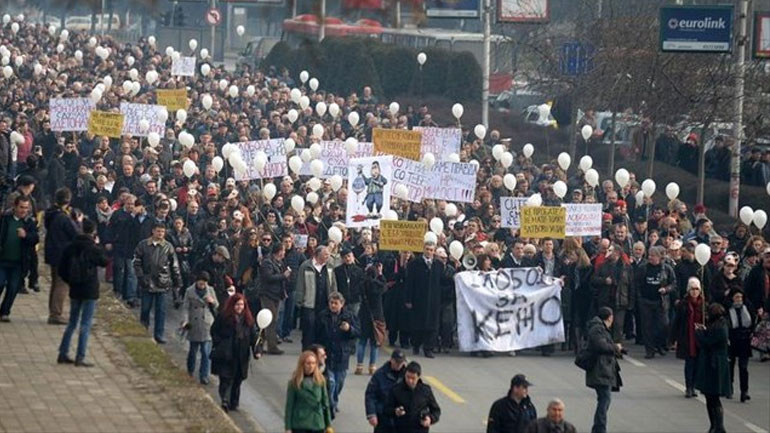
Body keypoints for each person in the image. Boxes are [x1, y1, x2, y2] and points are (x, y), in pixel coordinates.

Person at [56, 218, 107, 366]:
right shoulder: (93, 248)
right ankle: (80, 356)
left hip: (75, 288)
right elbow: (104, 261)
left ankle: (63, 352)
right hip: (90, 289)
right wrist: (98, 245)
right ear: (94, 232)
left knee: (72, 322)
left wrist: (70, 281)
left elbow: (62, 269)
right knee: (86, 324)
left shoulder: (70, 247)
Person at [133, 222, 182, 344]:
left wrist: (177, 281)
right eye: (158, 231)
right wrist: (140, 276)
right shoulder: (143, 245)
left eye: (162, 232)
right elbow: (137, 262)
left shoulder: (168, 247)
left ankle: (159, 334)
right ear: (153, 231)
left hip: (163, 282)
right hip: (147, 282)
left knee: (161, 311)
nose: (160, 234)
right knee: (145, 309)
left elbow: (174, 265)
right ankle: (143, 331)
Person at [210, 293, 260, 412]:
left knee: (238, 379)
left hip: (241, 355)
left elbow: (254, 337)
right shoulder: (224, 317)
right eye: (237, 304)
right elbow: (214, 331)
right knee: (226, 378)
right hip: (227, 354)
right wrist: (219, 343)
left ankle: (234, 402)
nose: (239, 307)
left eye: (241, 304)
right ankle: (225, 400)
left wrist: (256, 351)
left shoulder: (248, 320)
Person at [315, 291, 360, 414]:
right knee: (330, 382)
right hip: (327, 354)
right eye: (331, 303)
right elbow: (316, 333)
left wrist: (349, 329)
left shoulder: (349, 316)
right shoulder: (322, 316)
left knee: (339, 381)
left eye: (336, 303)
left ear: (342, 304)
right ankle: (330, 404)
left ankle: (334, 400)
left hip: (342, 355)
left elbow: (358, 332)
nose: (333, 305)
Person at [44, 187, 80, 324]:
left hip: (52, 251)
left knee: (55, 283)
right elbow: (75, 233)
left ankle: (53, 310)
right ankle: (56, 313)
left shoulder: (51, 213)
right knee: (62, 284)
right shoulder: (63, 217)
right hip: (62, 254)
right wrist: (77, 221)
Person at [0, 196, 38, 322]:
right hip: (3, 260)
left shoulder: (29, 222)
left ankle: (4, 312)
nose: (23, 210)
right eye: (21, 207)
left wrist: (26, 235)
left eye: (26, 208)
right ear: (15, 207)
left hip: (19, 262)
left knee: (13, 287)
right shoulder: (6, 219)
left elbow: (35, 239)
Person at [635, 246, 676, 358]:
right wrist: (640, 298)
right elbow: (637, 283)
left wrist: (666, 289)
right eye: (649, 255)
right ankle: (650, 350)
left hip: (661, 302)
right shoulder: (643, 268)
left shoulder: (666, 268)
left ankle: (660, 344)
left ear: (659, 257)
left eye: (653, 256)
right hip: (646, 301)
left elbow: (673, 283)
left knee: (663, 325)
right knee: (647, 327)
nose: (650, 258)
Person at [585, 307, 622, 433]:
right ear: (610, 317)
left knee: (604, 399)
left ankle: (599, 427)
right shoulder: (598, 329)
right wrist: (615, 347)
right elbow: (601, 346)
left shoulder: (600, 328)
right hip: (600, 370)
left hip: (603, 369)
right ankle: (599, 429)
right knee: (604, 400)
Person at [695, 303, 731, 433]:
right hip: (712, 363)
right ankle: (714, 425)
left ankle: (719, 426)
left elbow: (707, 342)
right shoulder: (718, 325)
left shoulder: (720, 327)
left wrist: (699, 333)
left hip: (715, 364)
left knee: (714, 397)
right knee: (709, 397)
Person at [405, 242, 444, 358]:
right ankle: (416, 345)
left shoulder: (438, 265)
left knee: (432, 325)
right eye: (427, 249)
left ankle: (428, 348)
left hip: (433, 300)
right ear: (423, 250)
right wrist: (408, 299)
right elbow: (409, 283)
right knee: (418, 325)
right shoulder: (414, 264)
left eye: (431, 250)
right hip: (418, 299)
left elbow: (442, 282)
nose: (429, 252)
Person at [296, 246, 338, 349]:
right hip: (309, 304)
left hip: (325, 304)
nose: (328, 256)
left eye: (328, 254)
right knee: (309, 331)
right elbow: (300, 284)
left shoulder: (330, 266)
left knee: (322, 331)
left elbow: (333, 284)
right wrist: (299, 300)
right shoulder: (305, 266)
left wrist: (334, 298)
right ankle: (306, 354)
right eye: (325, 254)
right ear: (318, 254)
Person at [181, 271, 219, 385]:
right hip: (194, 323)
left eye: (204, 284)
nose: (202, 286)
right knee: (193, 350)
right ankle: (190, 371)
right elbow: (185, 307)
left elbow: (217, 304)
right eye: (200, 283)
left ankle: (204, 375)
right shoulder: (189, 291)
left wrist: (212, 301)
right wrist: (185, 321)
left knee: (205, 352)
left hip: (207, 323)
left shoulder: (210, 290)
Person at [670, 277, 705, 398]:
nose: (694, 291)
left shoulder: (704, 304)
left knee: (698, 364)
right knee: (689, 363)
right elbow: (677, 322)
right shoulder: (683, 305)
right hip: (687, 337)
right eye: (692, 289)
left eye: (696, 289)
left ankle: (694, 386)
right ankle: (688, 387)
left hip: (700, 338)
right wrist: (673, 339)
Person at [384, 361, 441, 433]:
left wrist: (430, 419)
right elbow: (386, 409)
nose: (410, 381)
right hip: (401, 429)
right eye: (408, 377)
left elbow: (436, 410)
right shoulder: (396, 390)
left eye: (413, 378)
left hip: (420, 429)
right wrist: (395, 412)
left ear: (418, 377)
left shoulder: (425, 390)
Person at [284, 350, 333, 433]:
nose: (311, 366)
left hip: (317, 423)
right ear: (302, 364)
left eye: (313, 363)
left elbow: (325, 404)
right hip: (300, 423)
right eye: (308, 363)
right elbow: (289, 406)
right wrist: (288, 428)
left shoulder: (321, 380)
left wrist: (328, 425)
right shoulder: (294, 382)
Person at [259, 243, 291, 355]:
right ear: (279, 251)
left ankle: (261, 344)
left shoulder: (279, 262)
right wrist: (283, 276)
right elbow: (268, 277)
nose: (284, 253)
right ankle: (271, 346)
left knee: (272, 320)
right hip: (268, 294)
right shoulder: (267, 262)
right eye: (283, 251)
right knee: (269, 321)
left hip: (277, 295)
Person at [364, 350, 407, 433]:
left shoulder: (407, 375)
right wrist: (371, 414)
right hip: (383, 416)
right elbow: (370, 395)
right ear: (391, 360)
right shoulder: (380, 374)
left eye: (401, 362)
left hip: (401, 418)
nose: (399, 365)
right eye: (397, 362)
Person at [356, 260, 386, 375]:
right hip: (377, 315)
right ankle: (372, 366)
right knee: (375, 343)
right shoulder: (378, 285)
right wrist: (381, 273)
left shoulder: (363, 284)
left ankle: (359, 365)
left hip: (364, 314)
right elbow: (384, 286)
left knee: (362, 341)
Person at [726, 290, 753, 402]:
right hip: (732, 339)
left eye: (741, 297)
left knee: (743, 367)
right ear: (732, 298)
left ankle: (744, 391)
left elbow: (752, 321)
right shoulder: (728, 310)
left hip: (745, 339)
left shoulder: (747, 308)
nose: (739, 299)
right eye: (737, 297)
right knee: (730, 365)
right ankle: (729, 388)